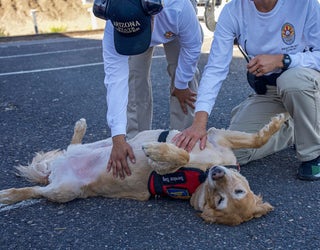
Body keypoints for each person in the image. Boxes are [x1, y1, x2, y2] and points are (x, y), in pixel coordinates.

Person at [173, 0, 320, 181]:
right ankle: (293, 128)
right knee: (232, 154)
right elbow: (215, 69)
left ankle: (313, 154)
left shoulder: (305, 4)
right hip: (270, 90)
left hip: (306, 83)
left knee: (292, 81)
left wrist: (283, 60)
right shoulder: (233, 10)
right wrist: (199, 123)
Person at [101, 0, 203, 179]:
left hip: (173, 25)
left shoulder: (178, 7)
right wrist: (118, 139)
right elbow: (115, 81)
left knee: (186, 81)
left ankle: (183, 144)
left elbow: (192, 46)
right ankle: (135, 146)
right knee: (133, 81)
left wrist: (181, 84)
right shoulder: (114, 19)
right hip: (137, 21)